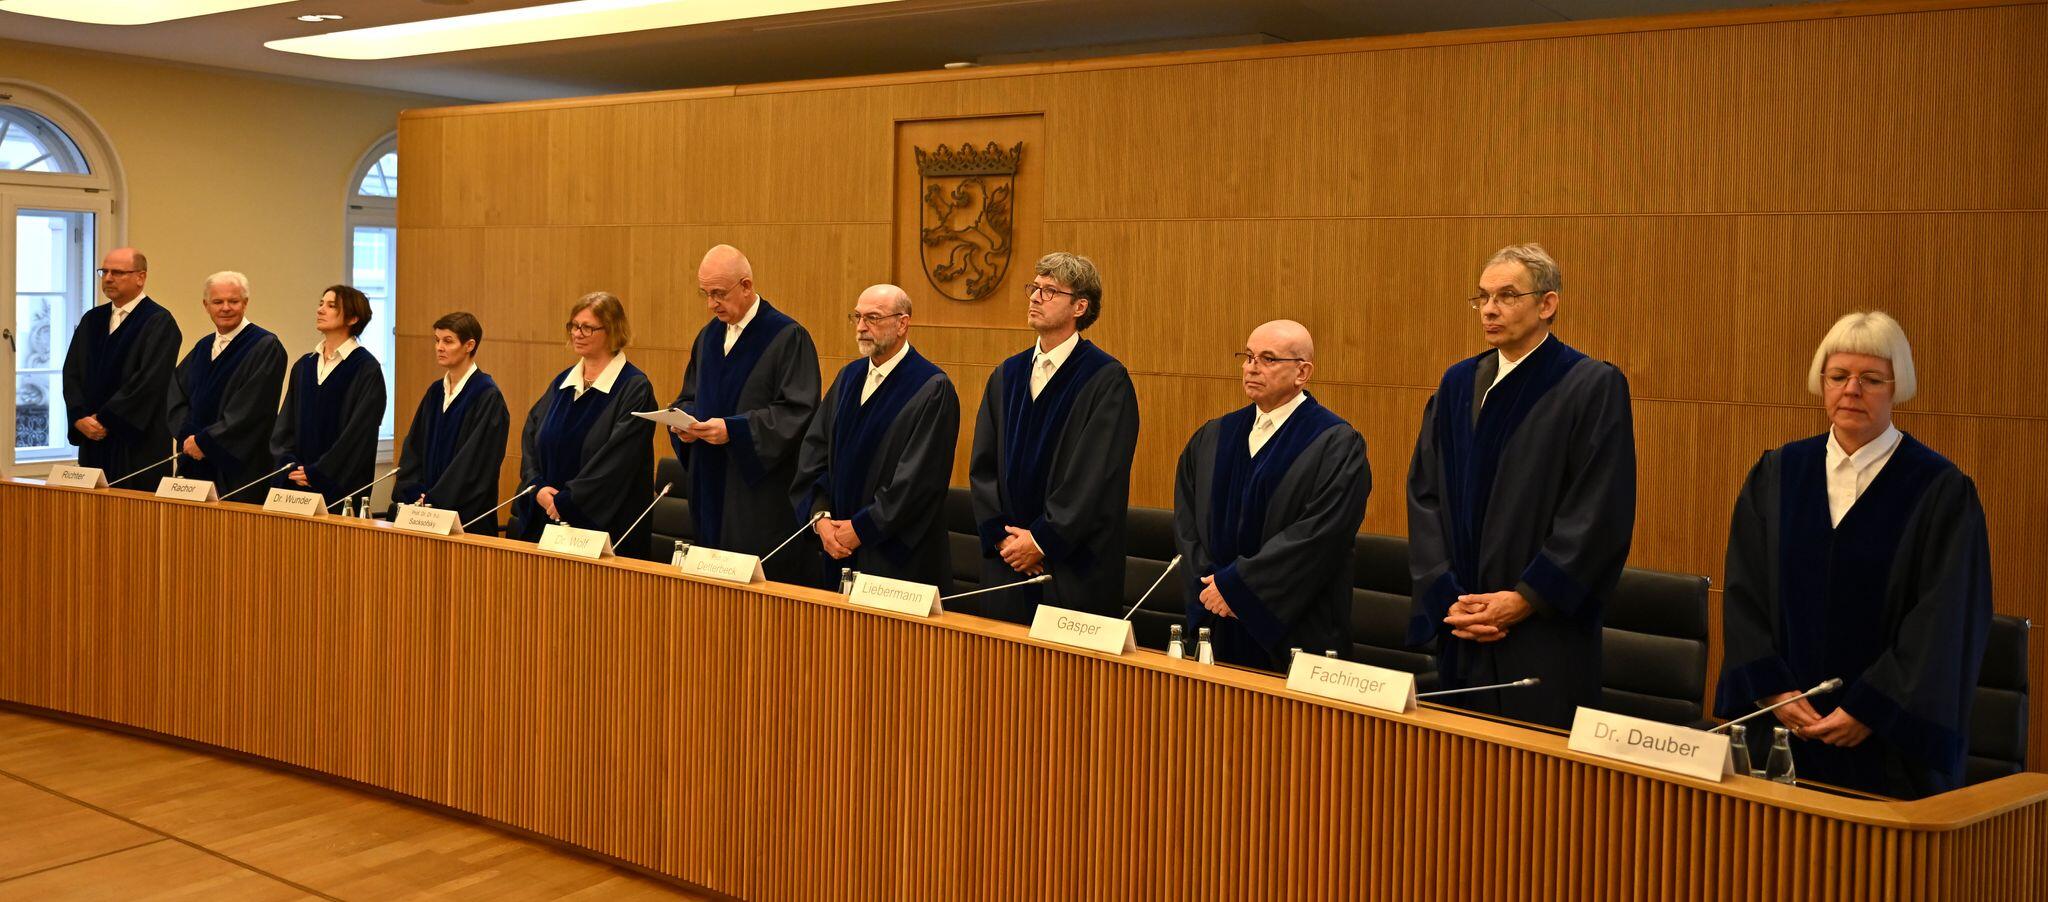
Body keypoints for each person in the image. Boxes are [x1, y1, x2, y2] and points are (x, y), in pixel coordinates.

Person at [1715, 311, 1991, 799]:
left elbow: (1945, 620)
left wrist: (1872, 708)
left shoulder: (1938, 490)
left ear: (1897, 387)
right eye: (1838, 376)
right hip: (1784, 735)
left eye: (1871, 379)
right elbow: (1744, 592)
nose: (1851, 390)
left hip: (1887, 750)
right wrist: (1772, 689)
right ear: (1821, 383)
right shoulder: (1779, 474)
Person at [1406, 244, 1636, 729]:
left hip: (1542, 631)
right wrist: (1446, 594)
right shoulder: (1458, 383)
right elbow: (1424, 494)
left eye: (1507, 296)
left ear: (1547, 304)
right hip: (1461, 622)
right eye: (1483, 297)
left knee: (1534, 769)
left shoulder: (1589, 385)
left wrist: (1526, 597)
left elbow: (1598, 513)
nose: (1489, 309)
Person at [1173, 320, 1369, 671]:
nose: (1251, 368)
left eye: (1268, 359)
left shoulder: (1335, 443)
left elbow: (1320, 536)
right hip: (1215, 623)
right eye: (1248, 357)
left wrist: (1238, 590)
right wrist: (1212, 588)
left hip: (1294, 633)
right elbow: (1188, 524)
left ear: (1302, 372)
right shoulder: (1214, 435)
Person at [967, 252, 1139, 622]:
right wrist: (1002, 537)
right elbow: (983, 465)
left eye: (1049, 291)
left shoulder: (1105, 380)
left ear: (1080, 306)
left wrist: (1041, 540)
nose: (1035, 297)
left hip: (1070, 569)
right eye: (1034, 287)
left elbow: (1094, 478)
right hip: (1006, 563)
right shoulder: (1007, 374)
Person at [791, 284, 959, 589]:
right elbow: (815, 452)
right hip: (836, 546)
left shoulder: (931, 388)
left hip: (895, 560)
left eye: (873, 318)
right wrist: (821, 518)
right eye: (857, 317)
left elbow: (918, 483)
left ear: (902, 324)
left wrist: (862, 529)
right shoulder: (848, 378)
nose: (861, 327)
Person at [669, 245, 819, 582]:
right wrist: (686, 422)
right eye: (706, 294)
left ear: (746, 286)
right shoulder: (708, 337)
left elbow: (798, 412)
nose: (711, 304)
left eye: (719, 294)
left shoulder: (786, 337)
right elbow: (690, 395)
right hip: (710, 484)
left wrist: (734, 431)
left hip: (758, 496)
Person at [513, 292, 658, 559]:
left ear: (612, 330)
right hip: (549, 518)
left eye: (587, 327)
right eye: (574, 326)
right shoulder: (563, 383)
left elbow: (618, 460)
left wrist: (569, 501)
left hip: (603, 530)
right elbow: (532, 435)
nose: (577, 334)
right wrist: (537, 486)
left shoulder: (634, 387)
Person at [62, 246, 181, 481]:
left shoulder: (159, 322)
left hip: (137, 444)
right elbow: (72, 373)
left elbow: (149, 383)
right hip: (92, 440)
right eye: (104, 272)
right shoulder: (92, 319)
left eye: (117, 272)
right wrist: (78, 418)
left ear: (141, 277)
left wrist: (105, 419)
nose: (108, 278)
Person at [166, 271, 287, 501]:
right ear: (206, 305)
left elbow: (252, 410)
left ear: (245, 303)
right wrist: (187, 436)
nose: (225, 308)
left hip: (239, 470)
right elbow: (176, 394)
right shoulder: (203, 347)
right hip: (194, 463)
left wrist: (206, 442)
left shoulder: (265, 346)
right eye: (217, 302)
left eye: (233, 301)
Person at [389, 312, 510, 534]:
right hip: (422, 513)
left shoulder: (487, 396)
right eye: (437, 340)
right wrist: (414, 491)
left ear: (469, 345)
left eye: (448, 341)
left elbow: (475, 463)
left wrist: (435, 499)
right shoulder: (435, 392)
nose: (439, 347)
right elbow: (413, 447)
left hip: (464, 519)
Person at [270, 285, 386, 504]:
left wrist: (318, 473)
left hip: (338, 488)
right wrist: (289, 465)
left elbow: (359, 435)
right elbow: (284, 425)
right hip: (295, 485)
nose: (320, 310)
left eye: (331, 306)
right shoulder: (304, 365)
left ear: (353, 318)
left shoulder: (366, 369)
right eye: (321, 303)